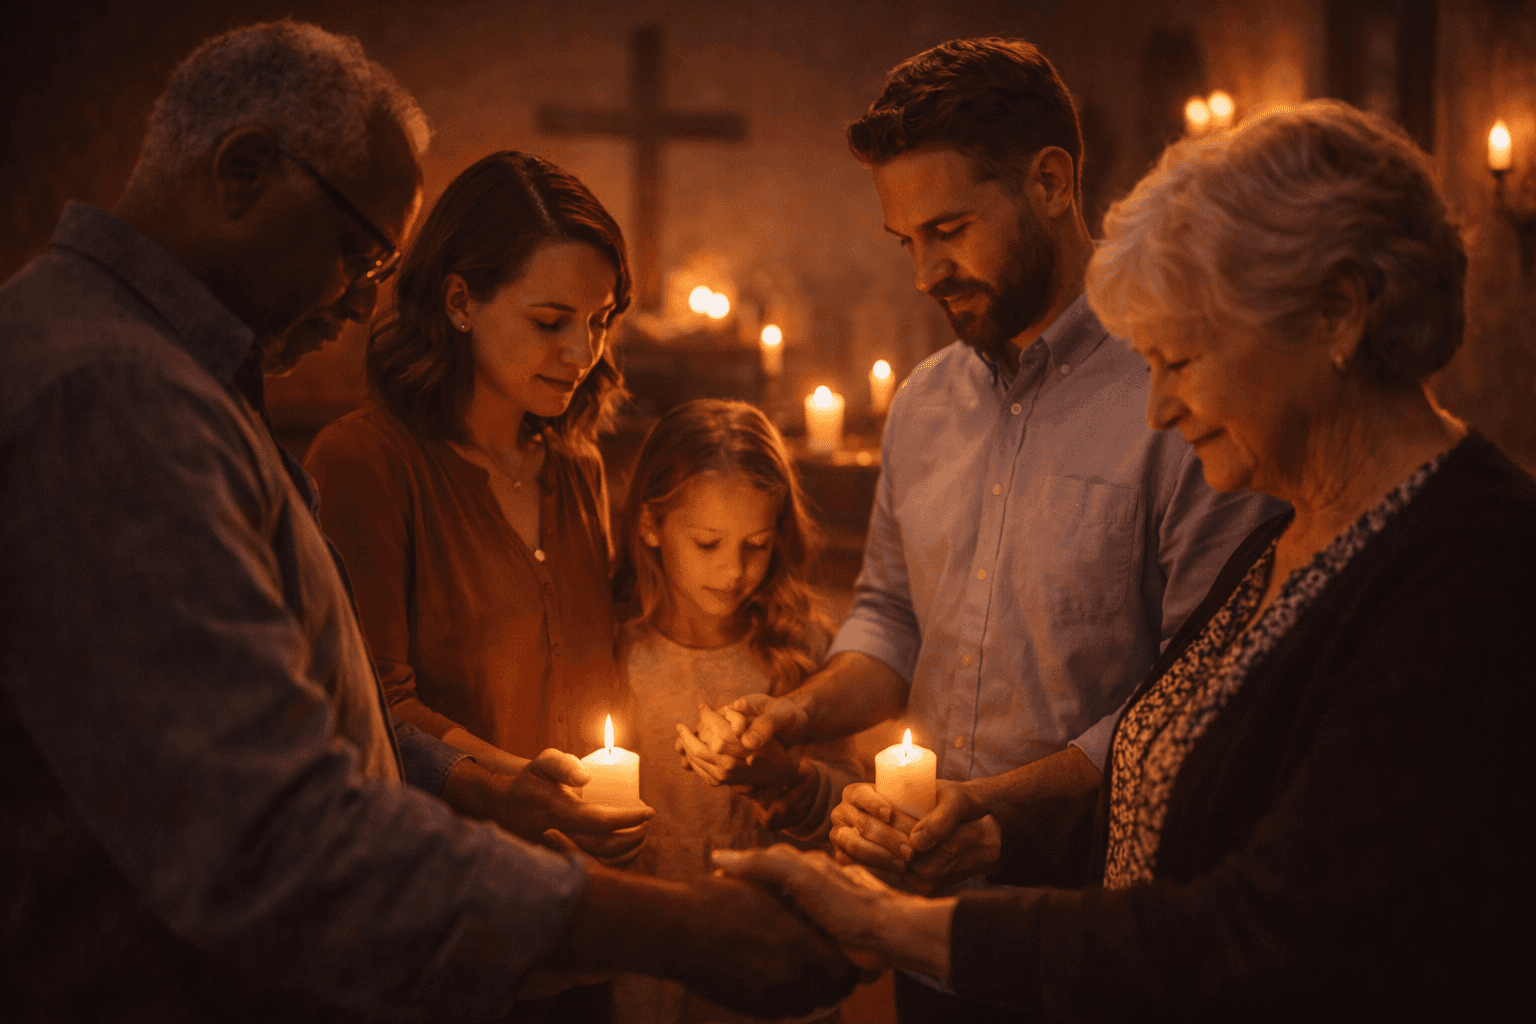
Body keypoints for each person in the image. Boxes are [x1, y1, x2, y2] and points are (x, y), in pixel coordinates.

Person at [0, 21, 854, 1023]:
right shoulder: (112, 392)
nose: (366, 299)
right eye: (358, 253)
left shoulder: (163, 373)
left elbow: (323, 714)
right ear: (242, 172)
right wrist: (672, 926)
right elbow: (272, 825)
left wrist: (495, 788)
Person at [714, 99, 1530, 1021]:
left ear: (1336, 312)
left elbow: (1274, 932)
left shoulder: (1473, 569)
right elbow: (1170, 796)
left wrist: (889, 925)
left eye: (1181, 359)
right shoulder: (1289, 538)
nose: (1156, 411)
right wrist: (986, 830)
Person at [683, 36, 1282, 1020]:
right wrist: (800, 709)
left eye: (949, 228)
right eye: (905, 241)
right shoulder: (923, 406)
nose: (925, 272)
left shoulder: (1179, 399)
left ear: (1050, 182)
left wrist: (1000, 807)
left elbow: (1201, 700)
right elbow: (888, 618)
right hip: (933, 912)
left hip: (1098, 921)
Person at [304, 151, 652, 874]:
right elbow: (366, 703)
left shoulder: (576, 468)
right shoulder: (366, 462)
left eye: (600, 320)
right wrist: (512, 786)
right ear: (460, 302)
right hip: (443, 876)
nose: (582, 352)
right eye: (552, 321)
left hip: (580, 878)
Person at [609, 399, 864, 1024]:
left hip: (767, 966)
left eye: (756, 544)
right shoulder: (613, 648)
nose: (733, 571)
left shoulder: (799, 653)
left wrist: (783, 778)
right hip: (646, 960)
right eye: (707, 543)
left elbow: (850, 807)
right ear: (649, 524)